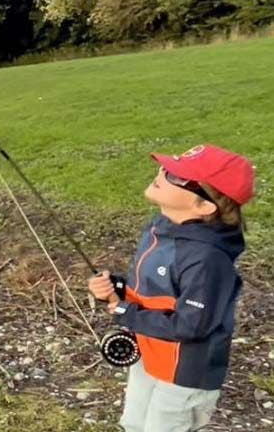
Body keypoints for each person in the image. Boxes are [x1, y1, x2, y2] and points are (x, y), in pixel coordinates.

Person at [87, 144, 254, 432]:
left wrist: (126, 312)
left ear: (204, 206)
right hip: (149, 354)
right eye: (168, 168)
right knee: (134, 424)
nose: (162, 174)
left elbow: (192, 325)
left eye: (176, 177)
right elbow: (152, 288)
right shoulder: (160, 228)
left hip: (183, 373)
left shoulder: (207, 259)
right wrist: (114, 287)